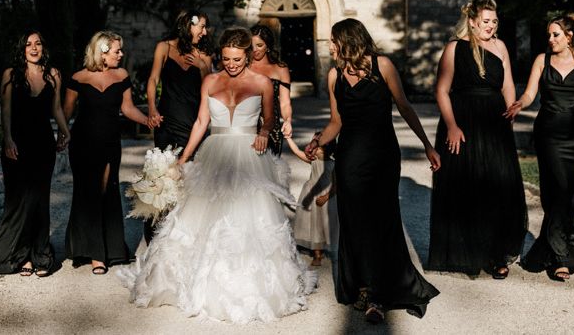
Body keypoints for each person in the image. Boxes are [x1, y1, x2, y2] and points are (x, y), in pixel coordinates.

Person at [119, 27, 316, 324]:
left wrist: (263, 131)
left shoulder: (262, 82)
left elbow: (270, 117)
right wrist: (183, 158)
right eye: (226, 58)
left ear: (247, 55)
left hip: (249, 153)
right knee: (199, 216)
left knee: (250, 218)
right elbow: (201, 120)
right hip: (215, 151)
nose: (231, 64)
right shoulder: (210, 80)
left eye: (237, 59)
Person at [305, 18, 440, 324]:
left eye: (333, 40)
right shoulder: (334, 76)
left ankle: (380, 293)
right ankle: (364, 289)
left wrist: (427, 145)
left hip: (382, 155)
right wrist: (317, 141)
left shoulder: (384, 67)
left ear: (348, 40)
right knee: (354, 223)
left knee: (381, 220)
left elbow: (404, 106)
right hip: (351, 157)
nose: (330, 46)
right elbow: (336, 122)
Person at [506, 12, 574, 282]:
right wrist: (520, 102)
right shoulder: (542, 60)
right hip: (549, 133)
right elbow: (531, 93)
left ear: (569, 36)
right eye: (549, 35)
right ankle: (561, 257)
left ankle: (554, 248)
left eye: (555, 34)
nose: (550, 39)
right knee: (557, 188)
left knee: (571, 190)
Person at [428, 0, 527, 278]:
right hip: (463, 120)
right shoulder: (454, 49)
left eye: (494, 21)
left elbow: (507, 84)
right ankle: (467, 251)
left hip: (494, 123)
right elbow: (441, 90)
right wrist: (452, 126)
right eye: (486, 21)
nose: (491, 26)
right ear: (471, 21)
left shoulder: (500, 47)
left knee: (497, 186)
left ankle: (497, 254)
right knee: (467, 186)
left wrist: (510, 115)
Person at [62, 31, 156, 275]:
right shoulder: (78, 77)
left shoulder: (121, 75)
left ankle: (104, 248)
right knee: (87, 192)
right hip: (82, 142)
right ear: (102, 52)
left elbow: (127, 108)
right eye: (117, 50)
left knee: (105, 191)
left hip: (109, 142)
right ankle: (94, 254)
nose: (121, 54)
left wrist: (148, 121)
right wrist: (62, 135)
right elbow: (66, 112)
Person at [0, 31, 71, 277]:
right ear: (22, 49)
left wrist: (66, 132)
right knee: (18, 201)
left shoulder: (53, 74)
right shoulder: (11, 75)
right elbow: (6, 112)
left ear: (43, 47)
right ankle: (21, 257)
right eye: (28, 44)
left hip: (43, 144)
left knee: (39, 201)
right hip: (18, 145)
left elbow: (56, 108)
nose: (34, 48)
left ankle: (41, 256)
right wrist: (8, 139)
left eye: (38, 43)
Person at [146, 10, 213, 150]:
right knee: (164, 167)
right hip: (166, 121)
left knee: (188, 168)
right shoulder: (164, 48)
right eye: (202, 27)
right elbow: (153, 79)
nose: (205, 32)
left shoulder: (204, 56)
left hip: (192, 122)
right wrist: (152, 108)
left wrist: (201, 66)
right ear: (189, 25)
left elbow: (210, 90)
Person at [286, 133, 336, 267]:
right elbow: (297, 151)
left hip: (327, 198)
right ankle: (317, 254)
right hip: (312, 195)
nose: (312, 150)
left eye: (317, 147)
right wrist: (288, 138)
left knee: (327, 224)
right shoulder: (313, 161)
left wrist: (326, 197)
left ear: (327, 149)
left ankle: (334, 248)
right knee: (314, 224)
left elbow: (337, 185)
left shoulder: (333, 165)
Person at [249, 24, 292, 154]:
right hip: (247, 125)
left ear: (268, 46)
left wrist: (288, 121)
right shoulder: (243, 67)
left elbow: (284, 102)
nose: (255, 50)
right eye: (251, 46)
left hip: (272, 128)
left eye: (260, 45)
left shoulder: (280, 69)